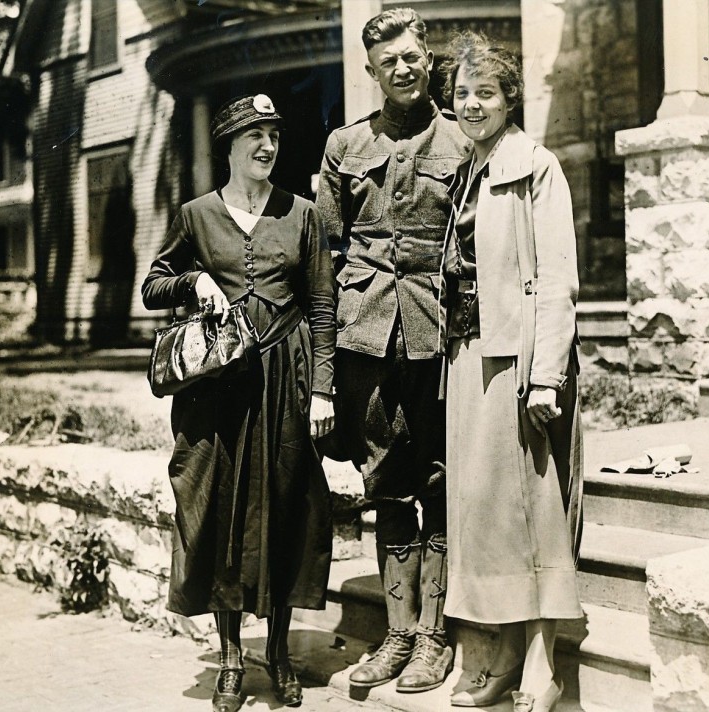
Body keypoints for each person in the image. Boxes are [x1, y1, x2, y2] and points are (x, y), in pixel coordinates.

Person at [142, 94, 336, 712]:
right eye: (253, 136)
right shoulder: (196, 215)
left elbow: (324, 306)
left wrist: (324, 388)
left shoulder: (301, 214)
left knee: (285, 510)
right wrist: (194, 279)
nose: (267, 146)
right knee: (217, 511)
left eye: (274, 135)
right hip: (216, 395)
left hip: (287, 382)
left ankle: (277, 655)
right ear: (227, 148)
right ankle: (230, 659)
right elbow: (152, 285)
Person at [315, 7, 468, 694]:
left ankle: (435, 636)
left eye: (412, 56)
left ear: (427, 58)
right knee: (386, 481)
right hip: (368, 341)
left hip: (440, 339)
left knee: (439, 478)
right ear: (371, 70)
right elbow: (322, 264)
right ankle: (397, 634)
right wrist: (322, 373)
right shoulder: (344, 148)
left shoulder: (464, 143)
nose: (402, 68)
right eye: (388, 61)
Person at [439, 32, 583, 712]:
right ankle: (496, 658)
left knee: (527, 513)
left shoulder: (536, 165)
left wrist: (547, 373)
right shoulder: (468, 167)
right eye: (463, 94)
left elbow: (558, 277)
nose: (472, 105)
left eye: (485, 94)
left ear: (509, 99)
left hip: (518, 361)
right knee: (482, 515)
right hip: (467, 358)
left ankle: (540, 666)